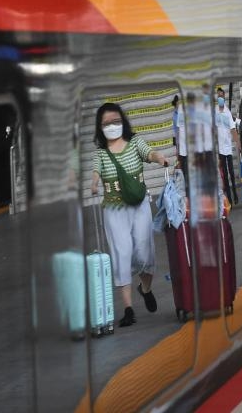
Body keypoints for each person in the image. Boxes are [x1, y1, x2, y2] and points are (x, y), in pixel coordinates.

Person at [90, 102, 171, 327]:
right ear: (100, 127)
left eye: (115, 121)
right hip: (114, 209)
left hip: (139, 205)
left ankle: (145, 288)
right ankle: (128, 308)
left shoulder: (135, 142)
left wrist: (159, 157)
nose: (112, 126)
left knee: (145, 251)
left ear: (123, 121)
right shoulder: (101, 154)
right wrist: (94, 183)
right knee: (121, 253)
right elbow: (96, 171)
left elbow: (149, 153)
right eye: (106, 123)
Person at [216, 95, 240, 204]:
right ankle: (229, 198)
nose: (220, 99)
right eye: (219, 96)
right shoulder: (215, 112)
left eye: (221, 96)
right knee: (224, 175)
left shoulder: (227, 112)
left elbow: (232, 128)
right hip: (220, 148)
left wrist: (237, 142)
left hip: (228, 148)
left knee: (231, 172)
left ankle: (235, 194)